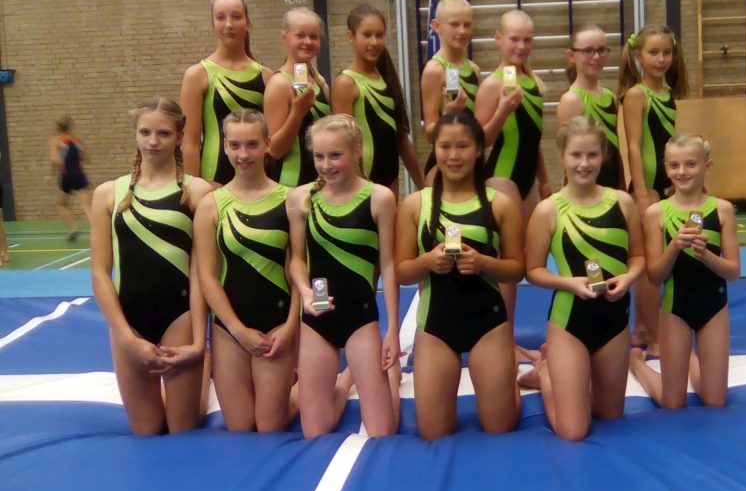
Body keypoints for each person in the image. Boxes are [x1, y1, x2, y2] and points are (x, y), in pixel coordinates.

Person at [395, 111, 523, 441]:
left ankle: (518, 383)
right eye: (445, 146)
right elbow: (401, 272)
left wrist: (483, 263)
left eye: (463, 146)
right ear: (435, 149)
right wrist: (427, 262)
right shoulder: (415, 205)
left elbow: (517, 269)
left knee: (500, 428)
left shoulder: (500, 205)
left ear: (479, 149)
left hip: (488, 323)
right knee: (433, 433)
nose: (453, 156)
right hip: (436, 324)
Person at [89, 98, 213, 434]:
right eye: (145, 132)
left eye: (163, 133)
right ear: (135, 134)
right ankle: (196, 369)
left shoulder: (196, 192)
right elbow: (100, 272)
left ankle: (204, 367)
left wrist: (198, 341)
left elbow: (201, 273)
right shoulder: (108, 194)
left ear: (179, 136)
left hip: (179, 316)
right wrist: (125, 337)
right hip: (130, 318)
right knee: (147, 430)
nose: (153, 141)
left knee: (182, 427)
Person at [523, 116, 645, 441]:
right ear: (562, 155)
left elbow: (638, 256)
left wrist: (628, 278)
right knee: (574, 431)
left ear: (603, 155)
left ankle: (571, 378)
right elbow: (533, 270)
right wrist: (569, 283)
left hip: (614, 319)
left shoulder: (622, 202)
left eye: (592, 155)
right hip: (570, 321)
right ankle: (546, 373)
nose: (584, 163)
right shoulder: (548, 209)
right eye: (576, 155)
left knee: (609, 414)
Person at [286, 114, 400, 438]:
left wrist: (392, 330)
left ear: (357, 151)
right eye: (319, 156)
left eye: (335, 155)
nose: (326, 165)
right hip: (318, 316)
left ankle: (387, 376)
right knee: (315, 431)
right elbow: (296, 260)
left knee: (381, 431)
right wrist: (305, 293)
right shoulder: (301, 199)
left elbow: (388, 265)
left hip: (360, 317)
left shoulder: (379, 198)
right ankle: (346, 378)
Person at [194, 109, 299, 431]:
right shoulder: (211, 204)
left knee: (269, 427)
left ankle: (325, 384)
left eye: (252, 144)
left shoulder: (291, 200)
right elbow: (207, 277)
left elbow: (299, 270)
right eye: (235, 145)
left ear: (268, 144)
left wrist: (291, 326)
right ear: (224, 146)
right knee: (240, 426)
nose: (243, 154)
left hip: (277, 324)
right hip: (230, 329)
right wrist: (237, 329)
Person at [629, 133, 740, 409]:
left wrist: (705, 255)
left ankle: (688, 358)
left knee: (715, 401)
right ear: (666, 169)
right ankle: (636, 364)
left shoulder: (722, 210)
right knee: (672, 402)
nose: (682, 172)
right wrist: (674, 247)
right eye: (674, 165)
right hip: (674, 309)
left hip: (714, 308)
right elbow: (655, 276)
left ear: (707, 166)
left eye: (691, 164)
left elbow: (733, 272)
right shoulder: (657, 213)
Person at [475, 9, 551, 328]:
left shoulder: (533, 83)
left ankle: (508, 334)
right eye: (514, 39)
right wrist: (502, 112)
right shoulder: (492, 85)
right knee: (507, 262)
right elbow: (478, 142)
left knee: (522, 260)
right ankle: (501, 339)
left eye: (527, 40)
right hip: (501, 177)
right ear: (498, 39)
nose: (521, 46)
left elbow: (533, 138)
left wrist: (544, 180)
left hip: (528, 181)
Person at [618, 24, 689, 354]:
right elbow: (633, 145)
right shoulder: (637, 94)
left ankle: (646, 328)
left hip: (665, 185)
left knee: (660, 262)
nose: (661, 59)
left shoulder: (668, 92)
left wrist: (675, 184)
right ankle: (649, 331)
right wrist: (642, 190)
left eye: (666, 53)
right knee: (648, 265)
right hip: (646, 186)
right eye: (653, 53)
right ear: (639, 55)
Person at [181, 0, 274, 185]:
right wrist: (193, 187)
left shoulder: (266, 76)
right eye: (221, 18)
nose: (229, 24)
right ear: (213, 24)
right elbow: (189, 141)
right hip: (214, 179)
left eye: (236, 17)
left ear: (248, 23)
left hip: (257, 180)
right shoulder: (198, 75)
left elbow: (271, 138)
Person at [332, 4, 424, 195]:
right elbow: (342, 142)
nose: (374, 42)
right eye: (367, 35)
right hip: (361, 182)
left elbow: (401, 139)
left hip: (390, 177)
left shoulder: (386, 78)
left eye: (379, 35)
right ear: (350, 36)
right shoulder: (346, 83)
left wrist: (423, 186)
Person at [264, 7, 331, 186]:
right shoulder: (279, 84)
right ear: (284, 37)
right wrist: (297, 112)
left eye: (314, 36)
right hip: (291, 184)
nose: (307, 42)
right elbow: (274, 150)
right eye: (300, 35)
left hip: (322, 181)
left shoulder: (319, 82)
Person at [419, 0, 480, 181]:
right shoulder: (435, 70)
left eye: (467, 24)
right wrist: (448, 113)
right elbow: (429, 131)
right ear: (436, 26)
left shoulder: (474, 69)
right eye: (454, 24)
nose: (462, 31)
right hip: (444, 163)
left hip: (471, 162)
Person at [556, 24, 623, 189]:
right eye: (588, 51)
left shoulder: (609, 96)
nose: (596, 57)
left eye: (601, 50)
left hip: (612, 187)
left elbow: (616, 150)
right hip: (585, 190)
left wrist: (622, 187)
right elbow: (569, 156)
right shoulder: (571, 100)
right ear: (571, 55)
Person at [49, 115, 90, 240]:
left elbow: (54, 159)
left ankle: (72, 229)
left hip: (66, 175)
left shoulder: (56, 141)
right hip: (79, 174)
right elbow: (87, 158)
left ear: (58, 128)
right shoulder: (77, 140)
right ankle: (98, 227)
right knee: (85, 206)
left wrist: (53, 170)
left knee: (62, 205)